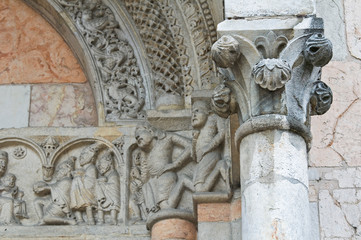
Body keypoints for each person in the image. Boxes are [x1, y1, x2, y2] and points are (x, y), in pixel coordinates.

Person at [134, 123, 191, 212]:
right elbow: (145, 178)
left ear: (150, 131)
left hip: (165, 176)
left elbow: (190, 145)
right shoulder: (144, 153)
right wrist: (138, 176)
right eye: (136, 137)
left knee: (166, 207)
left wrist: (175, 164)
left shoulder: (167, 138)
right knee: (157, 212)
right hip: (153, 183)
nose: (137, 137)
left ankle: (184, 181)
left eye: (139, 133)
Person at [33, 157, 76, 225]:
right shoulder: (61, 181)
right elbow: (54, 186)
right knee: (37, 201)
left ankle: (67, 221)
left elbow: (55, 188)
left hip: (61, 205)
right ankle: (42, 220)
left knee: (46, 218)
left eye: (60, 169)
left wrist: (45, 187)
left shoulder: (67, 181)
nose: (58, 172)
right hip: (54, 200)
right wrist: (43, 186)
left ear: (68, 170)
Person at [70, 143, 102, 225]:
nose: (81, 157)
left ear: (91, 157)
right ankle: (79, 219)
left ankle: (90, 219)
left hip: (87, 191)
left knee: (88, 204)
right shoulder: (82, 169)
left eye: (84, 155)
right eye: (81, 155)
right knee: (75, 201)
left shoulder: (92, 167)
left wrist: (80, 177)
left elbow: (91, 182)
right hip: (78, 190)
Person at [95, 151, 120, 225]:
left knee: (113, 198)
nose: (99, 166)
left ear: (109, 163)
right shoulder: (106, 176)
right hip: (104, 192)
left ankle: (113, 219)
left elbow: (114, 190)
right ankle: (101, 218)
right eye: (99, 164)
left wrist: (103, 184)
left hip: (111, 197)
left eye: (102, 163)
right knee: (98, 189)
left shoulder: (113, 175)